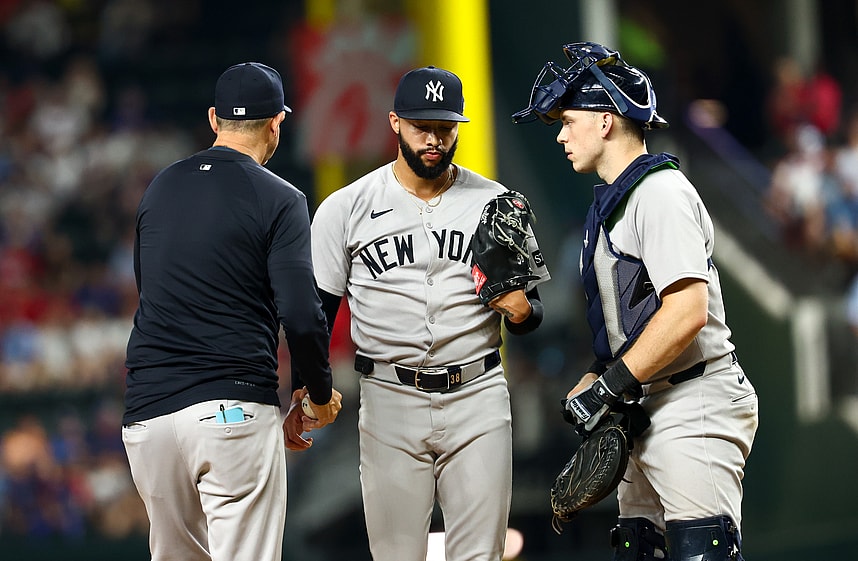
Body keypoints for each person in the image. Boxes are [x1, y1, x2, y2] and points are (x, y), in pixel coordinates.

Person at [513, 43, 759, 561]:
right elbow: (636, 318)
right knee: (637, 548)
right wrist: (599, 375)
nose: (560, 133)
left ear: (605, 121)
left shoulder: (660, 193)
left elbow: (687, 312)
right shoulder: (617, 200)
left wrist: (608, 387)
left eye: (569, 120)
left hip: (693, 399)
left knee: (701, 549)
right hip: (645, 402)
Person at [310, 66, 551, 561]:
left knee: (480, 554)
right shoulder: (345, 207)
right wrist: (312, 389)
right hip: (388, 396)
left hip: (478, 395)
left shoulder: (497, 202)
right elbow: (319, 313)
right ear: (395, 122)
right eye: (423, 126)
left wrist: (522, 311)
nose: (435, 139)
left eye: (445, 127)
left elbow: (531, 319)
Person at [121, 61, 343, 561]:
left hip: (148, 421)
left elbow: (149, 290)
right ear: (276, 124)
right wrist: (319, 393)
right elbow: (302, 315)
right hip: (232, 411)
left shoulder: (159, 188)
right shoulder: (280, 198)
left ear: (214, 119)